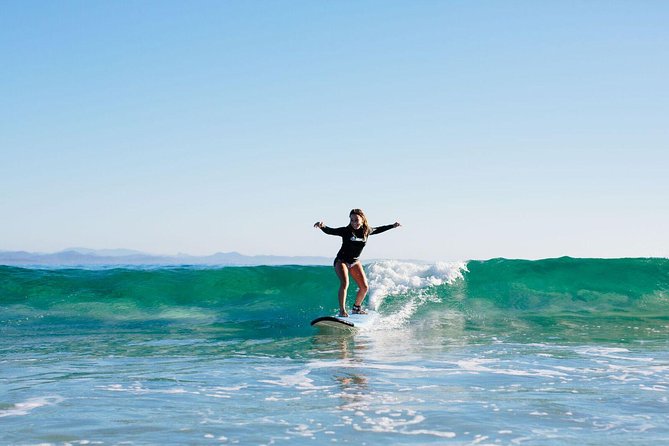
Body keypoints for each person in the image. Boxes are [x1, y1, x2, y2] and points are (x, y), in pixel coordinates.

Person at [314, 209, 401, 317]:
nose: (354, 222)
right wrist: (322, 226)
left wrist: (392, 226)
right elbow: (331, 231)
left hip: (355, 262)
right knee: (345, 283)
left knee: (364, 287)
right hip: (342, 260)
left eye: (356, 220)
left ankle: (356, 308)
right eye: (352, 220)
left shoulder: (367, 231)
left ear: (362, 219)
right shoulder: (346, 231)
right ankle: (342, 311)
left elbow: (379, 229)